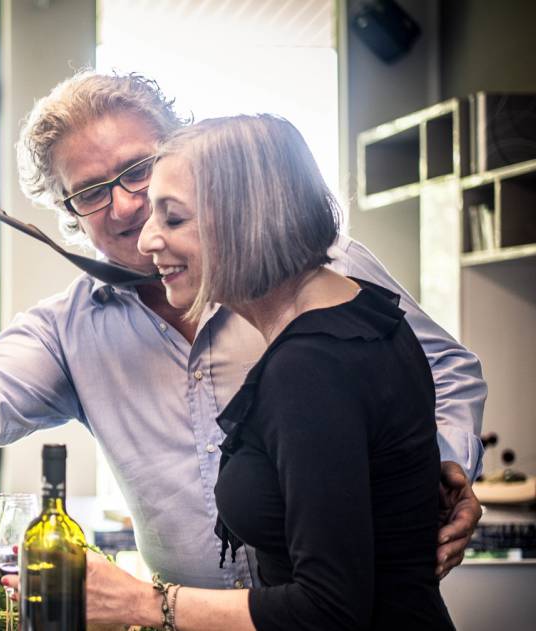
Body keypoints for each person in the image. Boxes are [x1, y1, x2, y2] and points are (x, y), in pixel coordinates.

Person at [0, 71, 485, 590]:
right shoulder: (65, 332)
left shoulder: (314, 266)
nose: (123, 206)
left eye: (138, 170)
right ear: (67, 213)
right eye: (89, 192)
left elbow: (445, 370)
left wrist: (435, 473)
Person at [81, 113, 454, 629]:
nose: (147, 242)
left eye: (173, 219)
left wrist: (144, 604)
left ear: (244, 218)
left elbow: (328, 609)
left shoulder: (310, 368)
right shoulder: (367, 313)